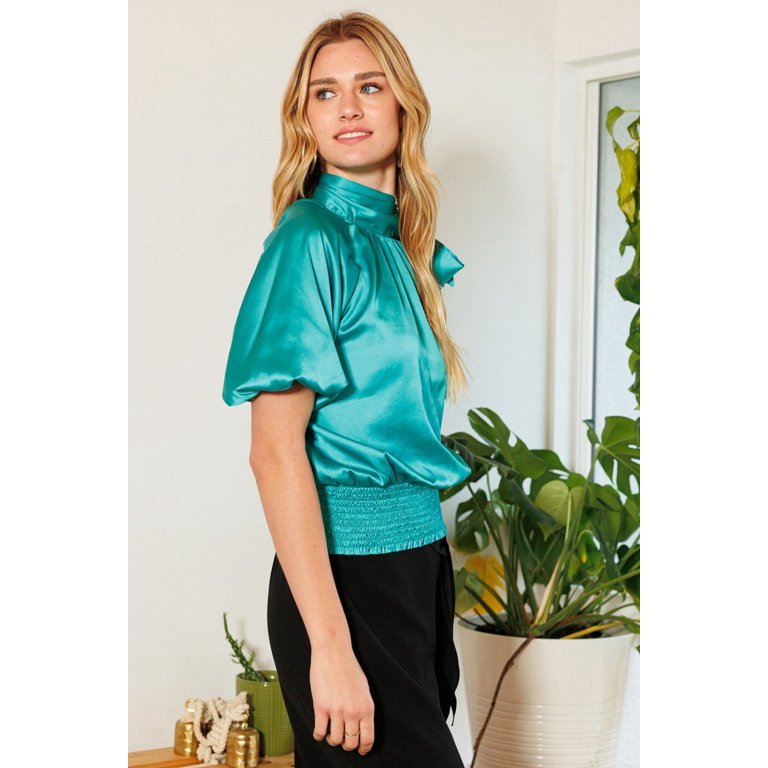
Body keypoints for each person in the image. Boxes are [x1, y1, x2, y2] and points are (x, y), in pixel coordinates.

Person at [222, 11, 471, 766]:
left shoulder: (402, 246)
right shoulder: (310, 237)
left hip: (417, 568)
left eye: (369, 85)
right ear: (305, 118)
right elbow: (274, 452)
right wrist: (330, 647)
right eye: (325, 93)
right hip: (346, 585)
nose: (349, 108)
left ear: (403, 103)